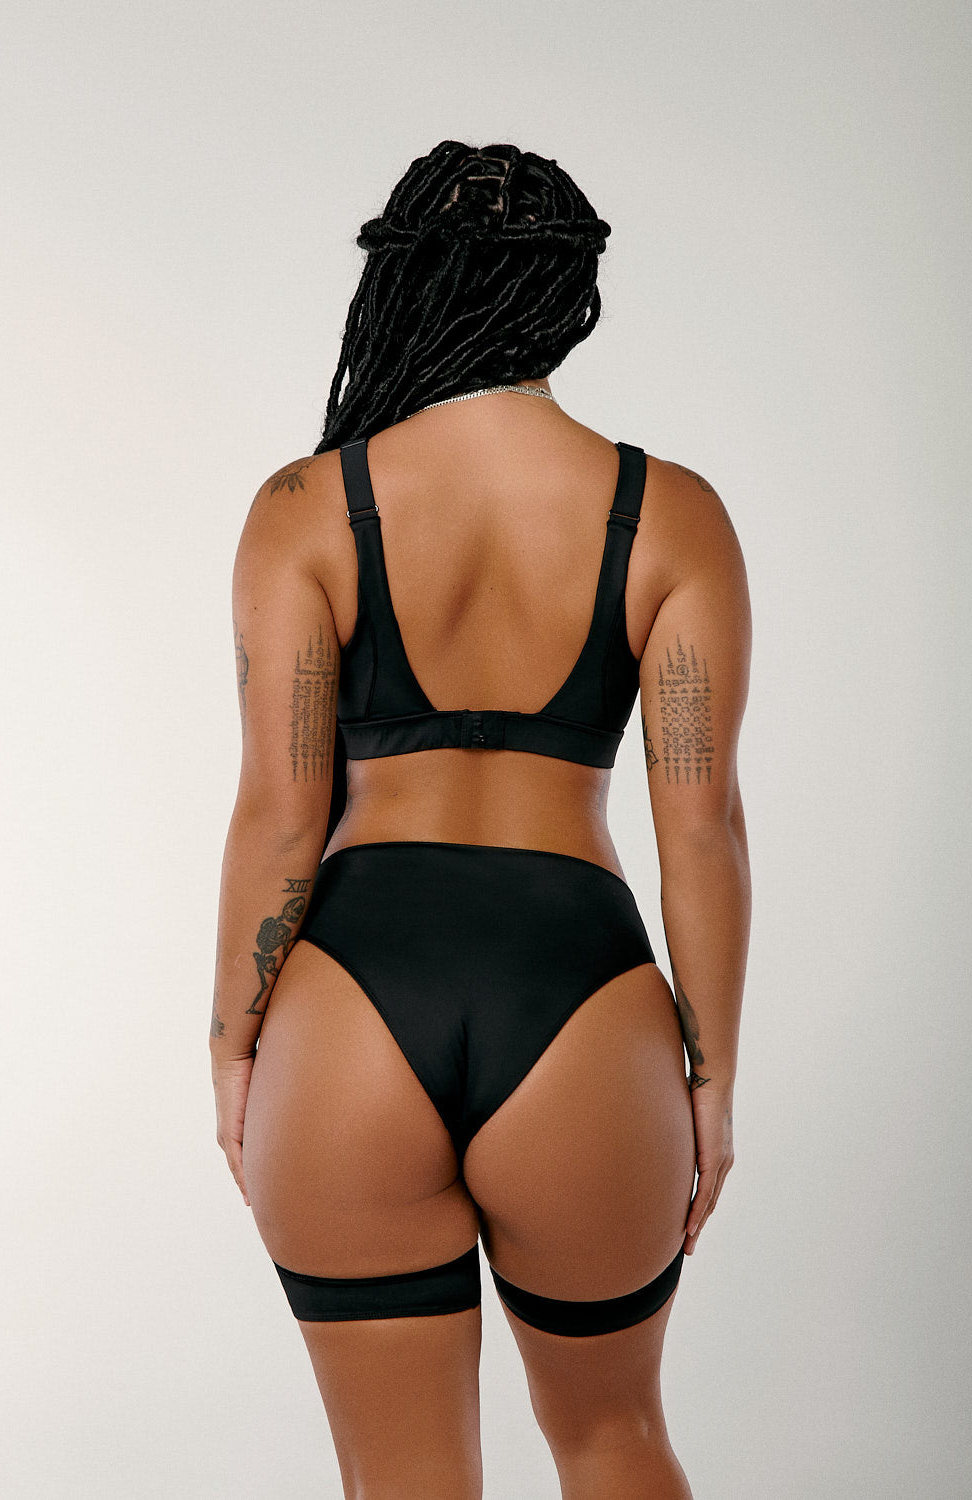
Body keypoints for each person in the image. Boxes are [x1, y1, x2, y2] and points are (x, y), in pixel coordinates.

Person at [210, 139, 751, 1500]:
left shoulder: (307, 507)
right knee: (614, 1437)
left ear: (399, 287)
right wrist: (710, 1080)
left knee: (403, 1476)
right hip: (581, 993)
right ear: (568, 297)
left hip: (351, 997)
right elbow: (702, 830)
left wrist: (233, 1047)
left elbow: (278, 814)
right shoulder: (672, 514)